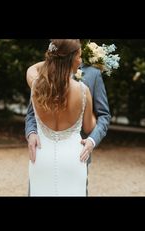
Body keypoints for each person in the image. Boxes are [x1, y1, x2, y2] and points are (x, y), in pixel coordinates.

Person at [25, 40, 111, 196]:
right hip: (73, 157)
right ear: (71, 58)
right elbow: (89, 127)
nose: (81, 60)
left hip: (41, 156)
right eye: (78, 56)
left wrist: (56, 57)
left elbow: (31, 69)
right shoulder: (83, 91)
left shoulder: (36, 85)